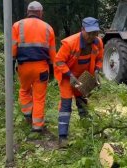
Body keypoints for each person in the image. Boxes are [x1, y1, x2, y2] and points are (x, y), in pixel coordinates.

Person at [54, 17, 103, 147]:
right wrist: (69, 75)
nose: (92, 36)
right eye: (89, 33)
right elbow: (59, 61)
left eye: (95, 33)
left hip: (83, 77)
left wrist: (97, 71)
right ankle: (62, 137)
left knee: (82, 103)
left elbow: (99, 58)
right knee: (66, 105)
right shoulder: (70, 43)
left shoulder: (98, 42)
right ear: (82, 30)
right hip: (67, 76)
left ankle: (88, 131)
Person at [12, 1, 56, 133]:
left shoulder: (17, 26)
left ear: (28, 12)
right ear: (40, 13)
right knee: (39, 97)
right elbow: (52, 53)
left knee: (24, 91)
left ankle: (27, 113)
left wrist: (11, 65)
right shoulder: (48, 28)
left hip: (23, 67)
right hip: (41, 68)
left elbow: (13, 49)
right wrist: (53, 70)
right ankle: (37, 126)